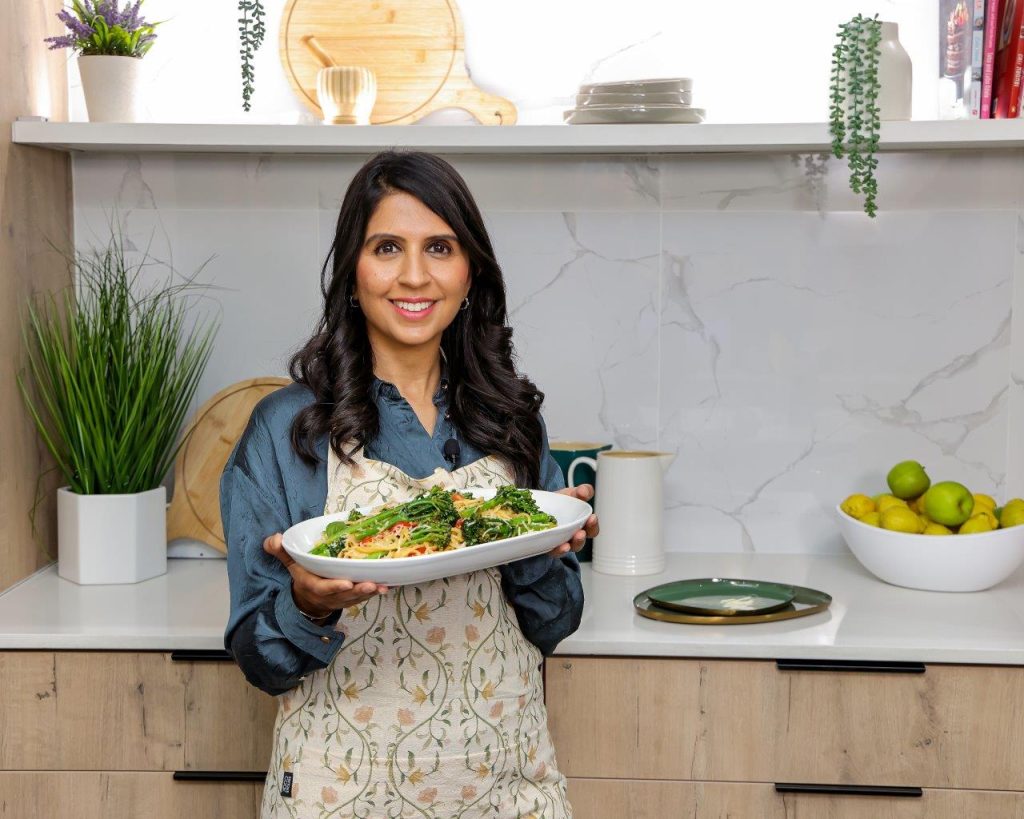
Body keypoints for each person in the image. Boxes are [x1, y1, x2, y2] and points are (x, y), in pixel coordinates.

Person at [222, 150, 598, 819]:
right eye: (387, 247)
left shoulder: (512, 421)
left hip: (506, 790)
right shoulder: (288, 432)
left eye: (440, 247)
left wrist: (544, 546)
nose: (415, 274)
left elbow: (555, 624)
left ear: (470, 271)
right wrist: (306, 606)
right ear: (352, 270)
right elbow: (261, 659)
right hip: (339, 794)